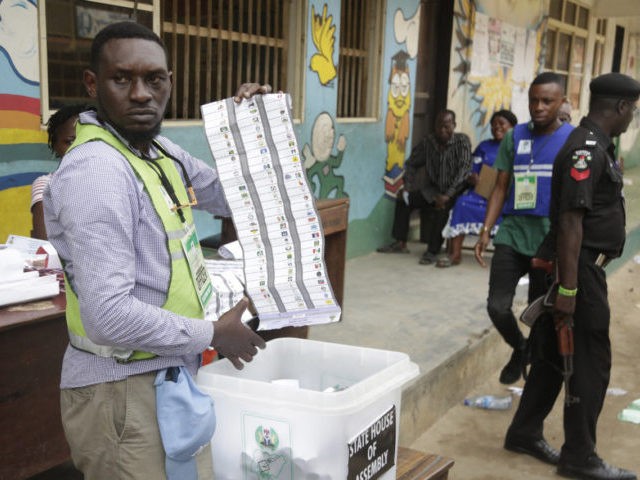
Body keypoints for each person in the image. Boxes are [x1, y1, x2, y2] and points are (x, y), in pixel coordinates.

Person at [43, 21, 268, 479]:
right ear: (93, 84)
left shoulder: (156, 151)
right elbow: (107, 315)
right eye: (122, 79)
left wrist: (256, 129)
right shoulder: (98, 171)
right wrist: (212, 334)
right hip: (121, 394)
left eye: (155, 79)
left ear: (170, 82)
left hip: (163, 377)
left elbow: (236, 198)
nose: (142, 93)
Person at [504, 73, 639, 480]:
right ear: (620, 108)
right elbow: (570, 222)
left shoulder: (591, 144)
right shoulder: (586, 150)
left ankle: (524, 431)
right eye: (632, 109)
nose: (633, 116)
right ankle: (580, 455)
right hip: (576, 271)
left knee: (548, 356)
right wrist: (567, 288)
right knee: (590, 364)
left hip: (569, 268)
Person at [474, 72, 574, 385]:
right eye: (534, 100)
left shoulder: (573, 139)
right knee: (497, 306)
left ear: (561, 102)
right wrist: (486, 228)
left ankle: (534, 364)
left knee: (539, 315)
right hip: (513, 233)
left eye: (547, 101)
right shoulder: (514, 137)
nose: (539, 107)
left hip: (549, 241)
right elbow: (500, 187)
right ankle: (520, 348)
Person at [377, 109, 472, 264]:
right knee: (403, 199)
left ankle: (432, 251)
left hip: (456, 192)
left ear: (454, 125)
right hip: (434, 190)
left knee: (442, 207)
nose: (442, 130)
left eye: (447, 126)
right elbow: (411, 164)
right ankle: (400, 242)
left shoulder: (462, 142)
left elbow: (464, 171)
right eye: (439, 126)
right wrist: (406, 186)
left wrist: (447, 195)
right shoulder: (428, 142)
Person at [437, 109, 517, 268]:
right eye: (493, 125)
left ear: (513, 127)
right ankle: (455, 254)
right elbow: (473, 167)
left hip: (506, 198)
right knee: (462, 203)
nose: (497, 128)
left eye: (501, 124)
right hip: (481, 195)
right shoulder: (484, 146)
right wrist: (473, 176)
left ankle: (511, 260)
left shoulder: (518, 147)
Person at [30, 104, 89, 239]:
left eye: (87, 140)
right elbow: (45, 243)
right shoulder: (46, 185)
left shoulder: (114, 180)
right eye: (69, 142)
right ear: (55, 145)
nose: (79, 147)